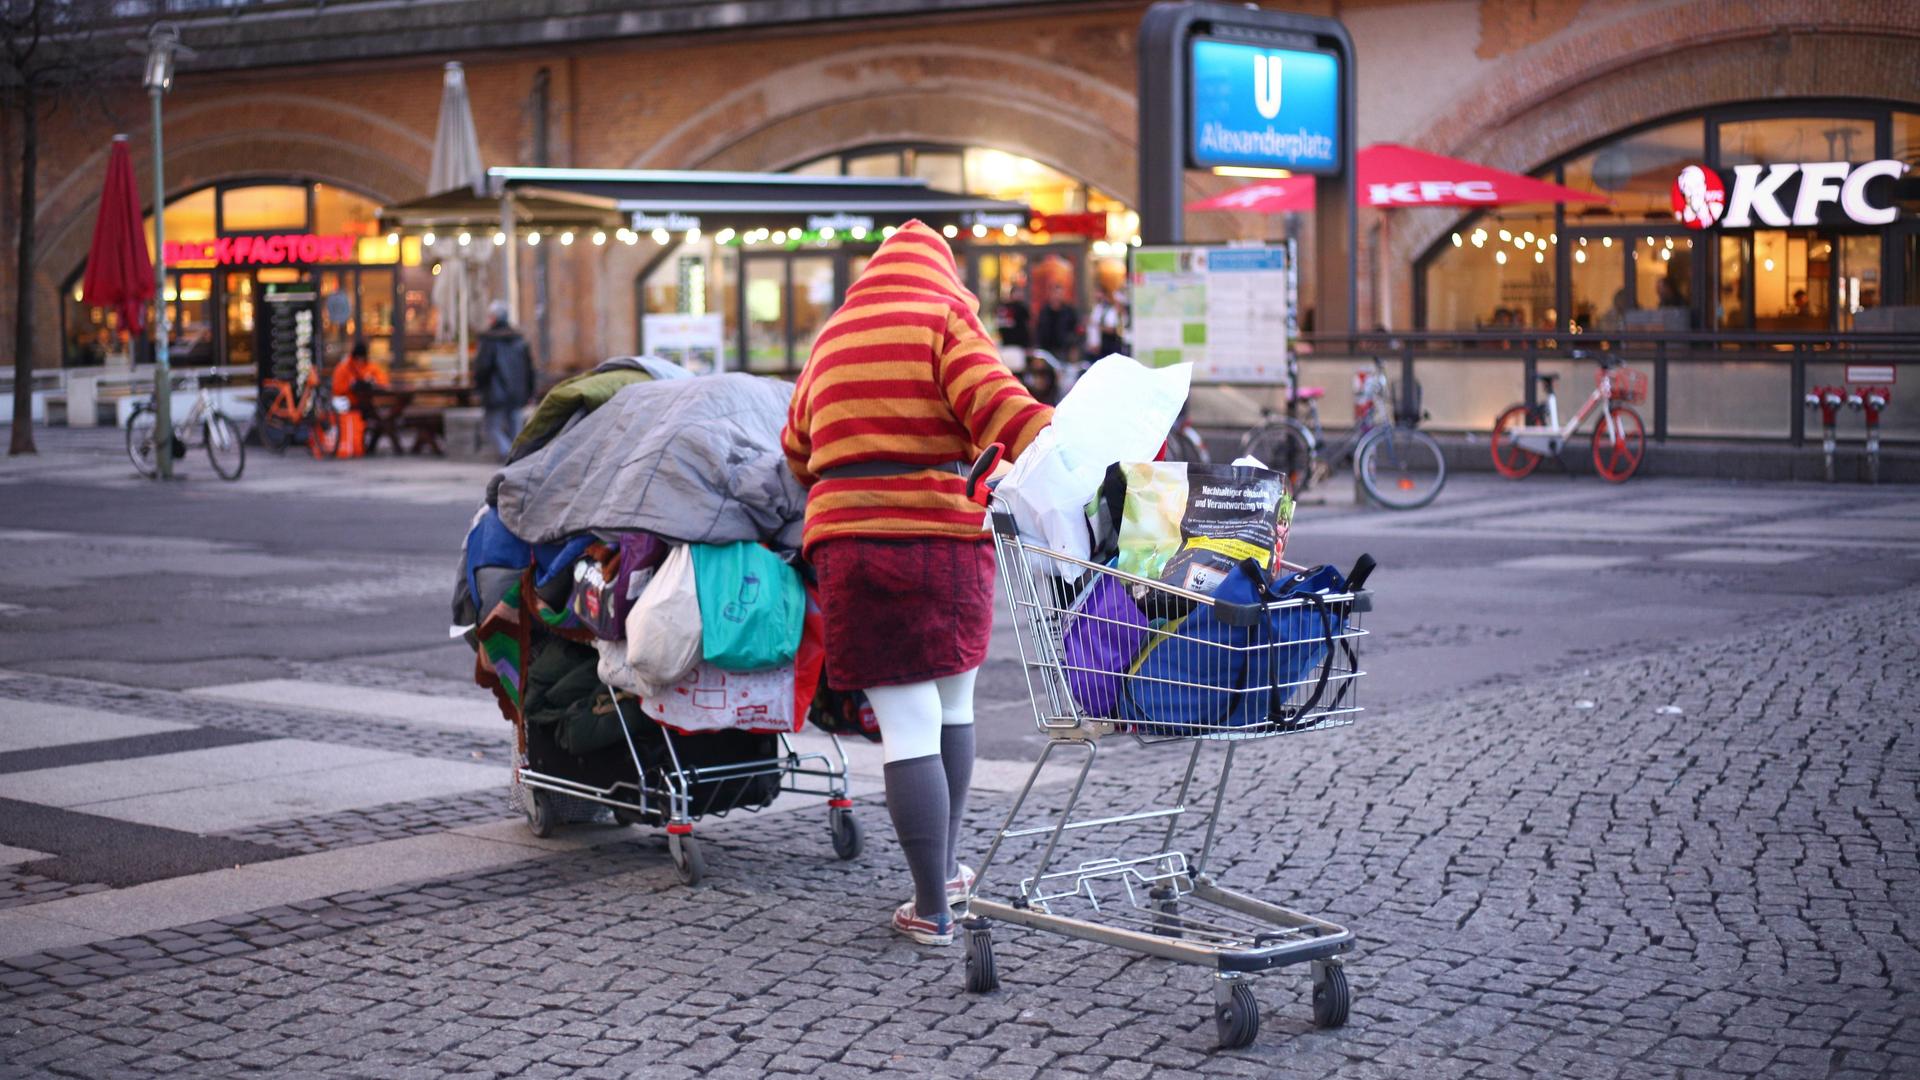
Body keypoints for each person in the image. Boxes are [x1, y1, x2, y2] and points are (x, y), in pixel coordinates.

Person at [782, 220, 1052, 947]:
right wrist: (1081, 448)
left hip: (852, 545)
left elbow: (796, 447)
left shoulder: (832, 336)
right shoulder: (943, 318)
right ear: (945, 272)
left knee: (906, 726)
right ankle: (937, 895)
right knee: (952, 705)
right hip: (943, 542)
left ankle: (935, 893)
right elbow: (1000, 410)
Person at [474, 299, 535, 460]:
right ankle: (516, 457)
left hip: (496, 393)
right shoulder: (519, 340)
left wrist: (479, 386)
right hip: (516, 392)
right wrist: (530, 391)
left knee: (491, 427)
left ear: (493, 318)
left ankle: (509, 455)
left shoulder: (489, 340)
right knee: (515, 429)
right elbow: (529, 369)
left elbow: (483, 367)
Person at [331, 339, 389, 438]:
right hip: (348, 403)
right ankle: (359, 443)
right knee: (371, 415)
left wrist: (372, 381)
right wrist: (350, 386)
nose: (360, 361)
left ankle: (368, 445)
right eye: (358, 358)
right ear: (354, 357)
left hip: (364, 403)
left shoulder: (369, 366)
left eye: (362, 358)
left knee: (378, 419)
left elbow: (383, 381)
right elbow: (337, 388)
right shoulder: (344, 368)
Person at [1034, 281, 1081, 364]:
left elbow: (1075, 330)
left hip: (1064, 351)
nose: (1057, 296)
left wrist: (1072, 347)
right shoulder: (1044, 311)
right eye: (1055, 293)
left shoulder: (1069, 311)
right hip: (1046, 350)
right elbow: (1039, 329)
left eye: (1059, 293)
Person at [1085, 286, 1126, 359]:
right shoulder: (1096, 308)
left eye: (1100, 296)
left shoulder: (1110, 310)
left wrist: (1095, 324)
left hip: (1106, 349)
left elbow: (1112, 329)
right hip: (1094, 348)